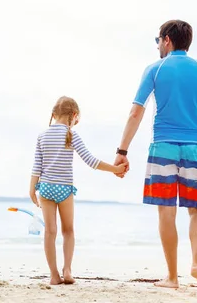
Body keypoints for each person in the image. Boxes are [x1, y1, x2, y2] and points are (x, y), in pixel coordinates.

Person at [114, 20, 197, 290]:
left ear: (168, 40)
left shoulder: (155, 70)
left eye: (158, 40)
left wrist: (122, 151)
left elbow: (136, 112)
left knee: (166, 211)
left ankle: (172, 277)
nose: (157, 45)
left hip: (163, 147)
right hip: (194, 147)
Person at [30, 96, 128, 285]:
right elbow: (91, 161)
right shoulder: (72, 135)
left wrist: (31, 190)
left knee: (50, 232)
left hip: (46, 188)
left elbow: (37, 166)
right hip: (65, 189)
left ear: (53, 115)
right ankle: (67, 270)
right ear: (74, 115)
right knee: (68, 231)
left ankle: (53, 275)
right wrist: (115, 170)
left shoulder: (42, 136)